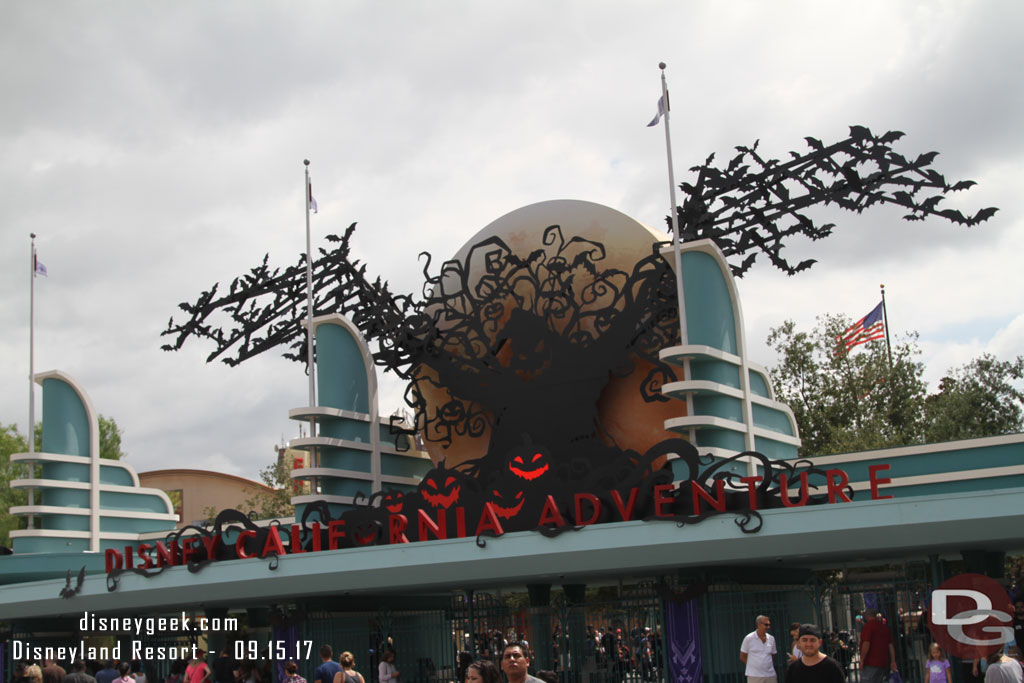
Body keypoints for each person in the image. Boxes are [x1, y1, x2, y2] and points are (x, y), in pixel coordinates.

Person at [859, 612, 897, 683]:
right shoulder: (884, 627)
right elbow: (890, 645)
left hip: (870, 663)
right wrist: (893, 661)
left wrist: (861, 659)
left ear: (866, 617)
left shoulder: (868, 626)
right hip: (883, 663)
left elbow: (866, 643)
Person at [741, 615, 778, 683]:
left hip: (770, 675)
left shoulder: (771, 638)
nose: (768, 627)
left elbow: (773, 654)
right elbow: (742, 656)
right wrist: (754, 665)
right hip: (754, 676)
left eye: (769, 625)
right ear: (759, 624)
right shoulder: (749, 638)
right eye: (766, 625)